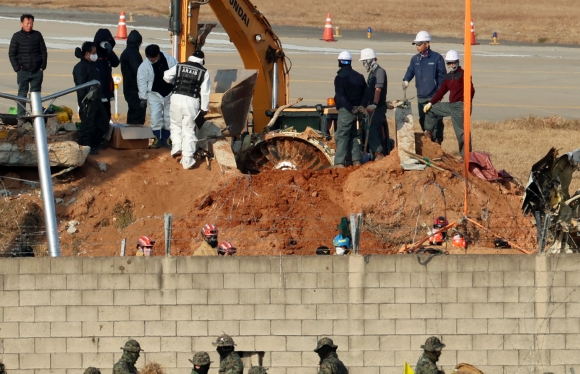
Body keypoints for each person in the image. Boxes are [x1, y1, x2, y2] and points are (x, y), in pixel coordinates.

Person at [163, 49, 211, 169]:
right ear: (202, 60)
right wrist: (204, 108)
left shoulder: (180, 66)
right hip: (192, 101)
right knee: (189, 129)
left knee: (175, 124)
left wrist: (174, 82)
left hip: (176, 97)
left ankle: (176, 147)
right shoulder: (204, 72)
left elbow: (166, 76)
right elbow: (205, 92)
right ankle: (187, 160)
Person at [423, 50, 475, 158]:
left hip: (460, 106)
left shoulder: (463, 74)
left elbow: (471, 90)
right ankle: (428, 133)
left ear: (457, 62)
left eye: (453, 62)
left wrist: (467, 104)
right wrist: (431, 102)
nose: (451, 65)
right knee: (431, 109)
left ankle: (466, 157)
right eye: (449, 63)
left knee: (461, 133)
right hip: (451, 106)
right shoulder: (448, 76)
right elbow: (441, 91)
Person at [402, 31, 446, 144]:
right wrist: (406, 80)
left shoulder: (437, 58)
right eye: (416, 44)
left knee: (435, 120)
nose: (417, 46)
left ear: (427, 44)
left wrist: (440, 94)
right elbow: (410, 70)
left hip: (434, 96)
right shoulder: (415, 59)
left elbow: (442, 77)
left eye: (420, 44)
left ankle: (437, 142)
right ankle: (429, 141)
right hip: (421, 95)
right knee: (423, 120)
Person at [72, 41, 110, 155]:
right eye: (93, 53)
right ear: (87, 54)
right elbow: (80, 85)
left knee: (103, 121)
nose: (95, 55)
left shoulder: (92, 66)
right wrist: (86, 100)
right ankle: (86, 146)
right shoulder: (80, 67)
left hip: (97, 99)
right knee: (88, 124)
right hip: (87, 101)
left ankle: (95, 143)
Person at [8, 14, 47, 122]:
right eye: (27, 23)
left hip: (37, 71)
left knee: (36, 94)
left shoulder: (37, 35)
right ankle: (21, 117)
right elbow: (12, 54)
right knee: (22, 94)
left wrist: (42, 66)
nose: (29, 25)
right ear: (21, 24)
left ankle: (35, 116)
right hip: (23, 71)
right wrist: (17, 68)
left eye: (31, 23)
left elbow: (43, 51)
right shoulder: (16, 36)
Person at [138, 44, 177, 149]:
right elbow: (141, 81)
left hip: (169, 93)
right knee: (155, 116)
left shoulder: (170, 61)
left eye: (152, 57)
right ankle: (156, 139)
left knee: (169, 117)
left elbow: (177, 74)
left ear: (158, 55)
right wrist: (143, 98)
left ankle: (166, 139)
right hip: (154, 94)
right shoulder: (144, 66)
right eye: (149, 57)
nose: (150, 59)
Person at [332, 51, 366, 168]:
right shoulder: (359, 76)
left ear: (340, 62)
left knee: (342, 135)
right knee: (355, 135)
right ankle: (356, 161)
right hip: (359, 111)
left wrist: (351, 108)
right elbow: (366, 93)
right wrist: (361, 106)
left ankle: (339, 162)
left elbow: (341, 96)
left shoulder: (340, 78)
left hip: (347, 111)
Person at [360, 48, 389, 161]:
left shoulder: (379, 72)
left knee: (372, 128)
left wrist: (374, 104)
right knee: (369, 129)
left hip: (378, 107)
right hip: (371, 107)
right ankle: (373, 152)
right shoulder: (371, 73)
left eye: (365, 61)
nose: (364, 64)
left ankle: (379, 153)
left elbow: (378, 89)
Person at [93, 28, 120, 121]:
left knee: (106, 114)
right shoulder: (95, 55)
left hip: (107, 89)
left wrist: (110, 51)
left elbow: (116, 63)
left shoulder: (107, 54)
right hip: (97, 91)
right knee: (98, 116)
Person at [120, 30, 146, 125]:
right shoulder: (133, 54)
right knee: (137, 114)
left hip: (129, 87)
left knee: (133, 112)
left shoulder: (126, 52)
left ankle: (131, 135)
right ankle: (135, 137)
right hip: (135, 89)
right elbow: (137, 71)